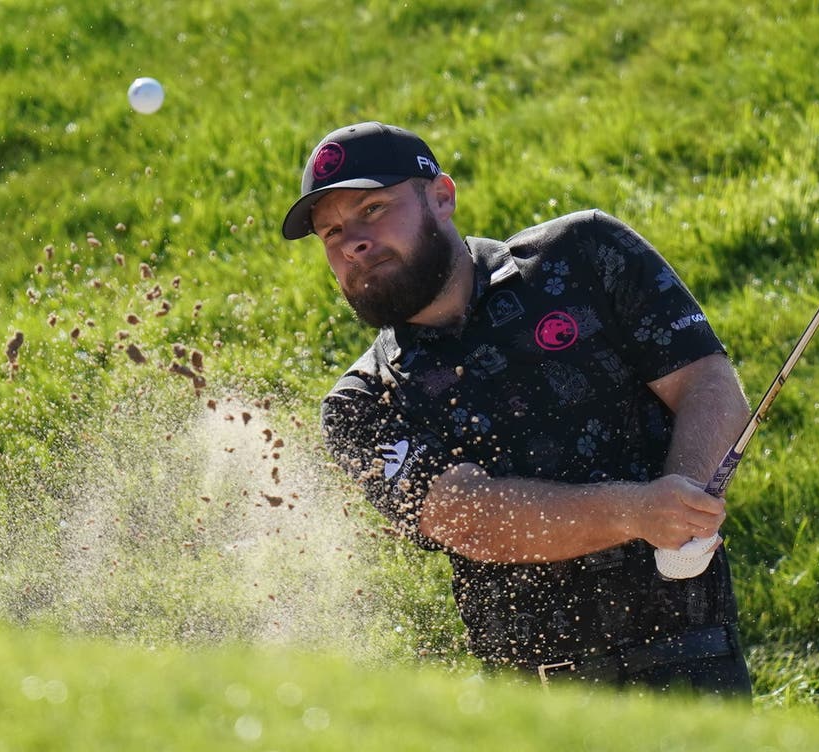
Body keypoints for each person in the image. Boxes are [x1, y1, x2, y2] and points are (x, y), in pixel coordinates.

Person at [281, 121, 753, 696]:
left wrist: (684, 495)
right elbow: (469, 518)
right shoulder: (362, 405)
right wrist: (639, 512)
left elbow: (704, 379)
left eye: (374, 209)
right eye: (331, 233)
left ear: (442, 197)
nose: (351, 241)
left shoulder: (585, 254)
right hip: (538, 701)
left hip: (695, 660)